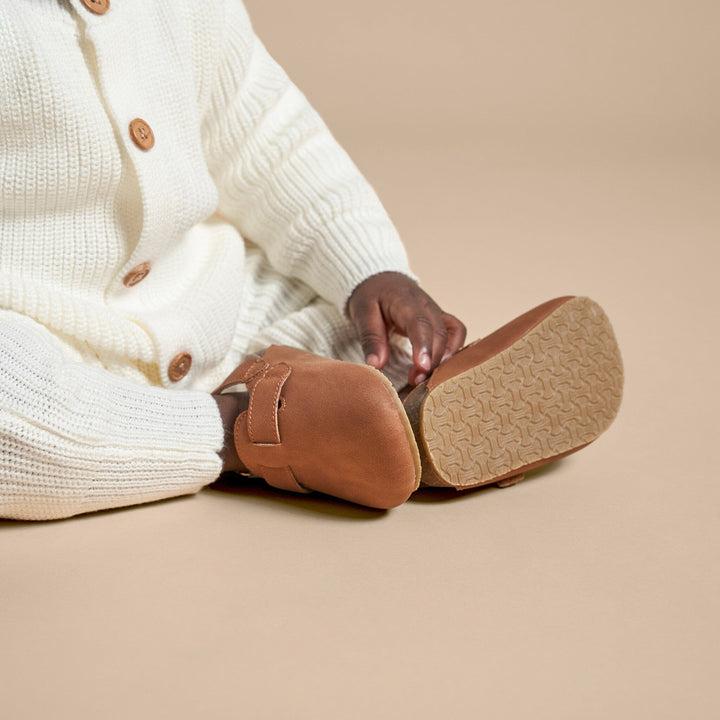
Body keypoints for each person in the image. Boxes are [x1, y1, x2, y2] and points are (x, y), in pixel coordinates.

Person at [0, 0, 623, 521]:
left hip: (212, 304)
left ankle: (399, 405)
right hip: (42, 335)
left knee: (343, 327)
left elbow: (262, 133)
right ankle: (241, 432)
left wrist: (369, 271)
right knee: (18, 418)